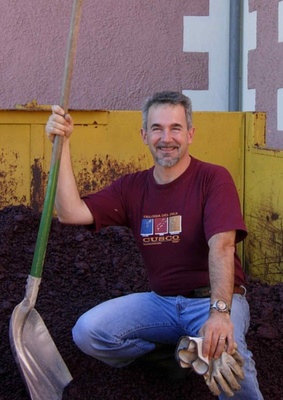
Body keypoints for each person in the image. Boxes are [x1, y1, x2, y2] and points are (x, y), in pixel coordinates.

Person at [45, 91, 263, 399]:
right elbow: (70, 212)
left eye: (175, 128)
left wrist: (219, 314)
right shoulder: (132, 187)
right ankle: (175, 358)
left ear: (190, 134)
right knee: (88, 332)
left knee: (230, 358)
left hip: (211, 301)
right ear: (144, 135)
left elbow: (223, 246)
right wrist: (62, 143)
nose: (166, 138)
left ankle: (203, 348)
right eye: (157, 129)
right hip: (161, 303)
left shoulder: (213, 179)